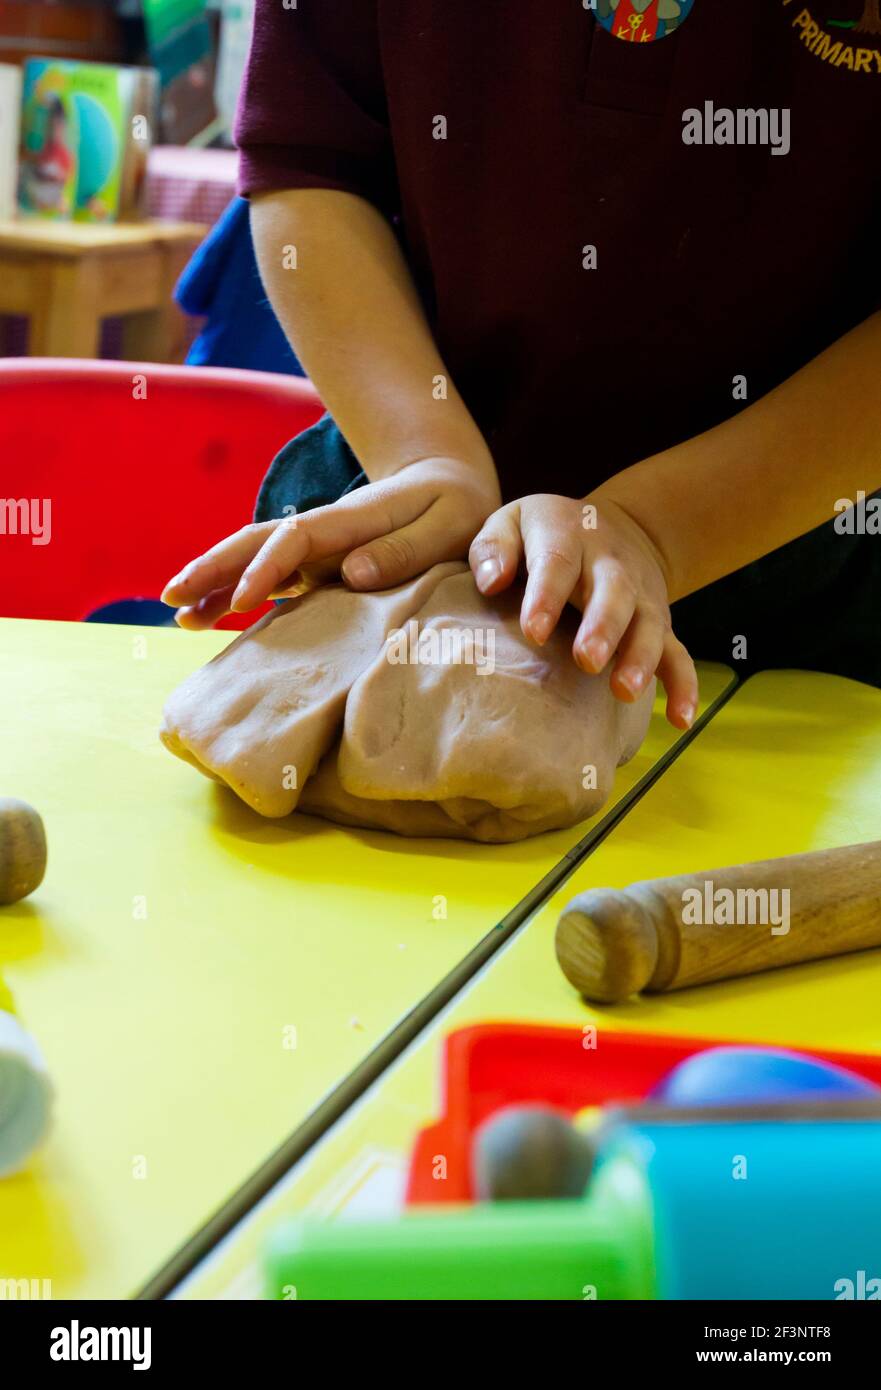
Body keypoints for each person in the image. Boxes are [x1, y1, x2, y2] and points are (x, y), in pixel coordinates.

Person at [162, 0, 881, 729]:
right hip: (408, 493)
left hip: (796, 559)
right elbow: (310, 162)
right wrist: (423, 454)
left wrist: (657, 531)